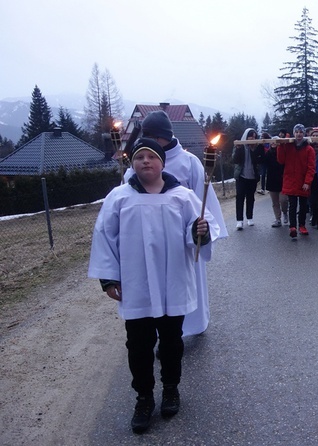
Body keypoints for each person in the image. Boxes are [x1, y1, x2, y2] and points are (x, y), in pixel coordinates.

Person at [89, 138, 220, 434]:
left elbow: (199, 232)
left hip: (172, 282)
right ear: (132, 164)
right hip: (137, 286)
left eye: (151, 156)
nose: (145, 161)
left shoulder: (184, 196)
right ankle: (144, 397)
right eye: (139, 157)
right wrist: (109, 278)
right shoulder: (119, 197)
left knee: (172, 342)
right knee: (138, 345)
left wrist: (200, 231)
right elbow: (104, 237)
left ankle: (171, 388)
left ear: (162, 162)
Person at [124, 110, 227, 337]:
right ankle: (161, 332)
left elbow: (203, 199)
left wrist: (205, 230)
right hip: (150, 236)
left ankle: (194, 324)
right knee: (155, 283)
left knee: (187, 282)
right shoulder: (141, 160)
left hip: (185, 236)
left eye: (152, 136)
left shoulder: (189, 162)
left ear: (163, 136)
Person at [277, 124, 316, 238]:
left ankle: (302, 225)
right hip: (290, 180)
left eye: (301, 132)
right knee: (292, 205)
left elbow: (311, 167)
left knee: (303, 205)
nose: (299, 134)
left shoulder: (309, 149)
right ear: (294, 133)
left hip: (303, 181)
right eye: (297, 132)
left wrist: (307, 182)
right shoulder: (288, 146)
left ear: (304, 134)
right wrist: (280, 146)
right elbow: (281, 160)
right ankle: (292, 227)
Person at [232, 128, 265, 229]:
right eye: (251, 136)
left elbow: (261, 160)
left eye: (254, 137)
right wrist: (237, 149)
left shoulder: (256, 147)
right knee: (240, 198)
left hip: (252, 177)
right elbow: (234, 159)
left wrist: (255, 149)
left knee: (251, 198)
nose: (252, 138)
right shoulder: (240, 146)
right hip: (241, 177)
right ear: (246, 137)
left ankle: (250, 218)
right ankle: (239, 220)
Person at [264, 137, 288, 227]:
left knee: (284, 200)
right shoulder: (268, 154)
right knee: (275, 202)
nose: (274, 143)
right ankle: (278, 219)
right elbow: (262, 161)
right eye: (272, 142)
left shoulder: (283, 152)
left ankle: (285, 213)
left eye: (276, 142)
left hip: (282, 180)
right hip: (272, 180)